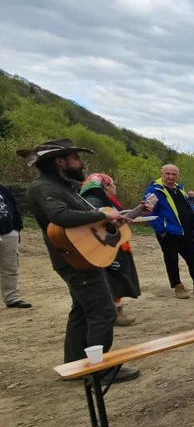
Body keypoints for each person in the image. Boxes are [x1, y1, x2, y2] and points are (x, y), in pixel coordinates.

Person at [19, 139, 139, 380]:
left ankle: (75, 365)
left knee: (82, 310)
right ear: (60, 161)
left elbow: (83, 221)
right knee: (104, 311)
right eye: (75, 158)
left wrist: (111, 219)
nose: (81, 162)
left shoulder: (64, 187)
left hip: (82, 255)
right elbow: (60, 216)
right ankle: (99, 369)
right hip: (74, 258)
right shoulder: (43, 187)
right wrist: (100, 214)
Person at [81, 173, 150, 326]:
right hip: (105, 246)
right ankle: (112, 313)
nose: (115, 187)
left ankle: (116, 310)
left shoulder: (107, 202)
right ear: (105, 186)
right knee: (113, 278)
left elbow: (120, 219)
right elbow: (95, 224)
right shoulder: (93, 202)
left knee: (118, 277)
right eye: (113, 184)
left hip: (113, 244)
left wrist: (140, 211)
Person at [146, 165, 194, 299]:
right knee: (172, 260)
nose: (171, 177)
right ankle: (177, 286)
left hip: (186, 232)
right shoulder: (154, 190)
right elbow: (149, 212)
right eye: (168, 174)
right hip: (168, 233)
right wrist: (161, 230)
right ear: (162, 174)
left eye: (174, 174)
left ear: (177, 175)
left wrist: (193, 226)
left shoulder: (180, 189)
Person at [0, 183, 30, 309]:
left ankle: (12, 297)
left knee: (11, 267)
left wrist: (17, 228)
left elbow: (13, 207)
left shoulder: (2, 189)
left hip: (8, 231)